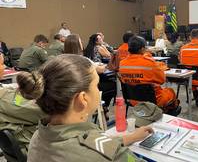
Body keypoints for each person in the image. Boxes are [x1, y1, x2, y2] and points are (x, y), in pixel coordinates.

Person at [19, 54, 153, 162]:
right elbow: (98, 150)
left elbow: (93, 146)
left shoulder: (39, 136)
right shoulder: (104, 154)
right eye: (96, 85)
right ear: (83, 99)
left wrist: (129, 138)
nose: (98, 90)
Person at [119, 36, 180, 114]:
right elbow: (162, 80)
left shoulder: (122, 63)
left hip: (133, 100)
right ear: (142, 49)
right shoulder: (149, 63)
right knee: (170, 92)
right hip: (153, 100)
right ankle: (167, 114)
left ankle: (162, 112)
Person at [0, 53, 44, 154]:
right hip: (29, 148)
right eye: (2, 64)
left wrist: (18, 92)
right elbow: (43, 113)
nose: (5, 66)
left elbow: (16, 102)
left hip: (14, 147)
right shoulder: (37, 111)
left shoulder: (8, 96)